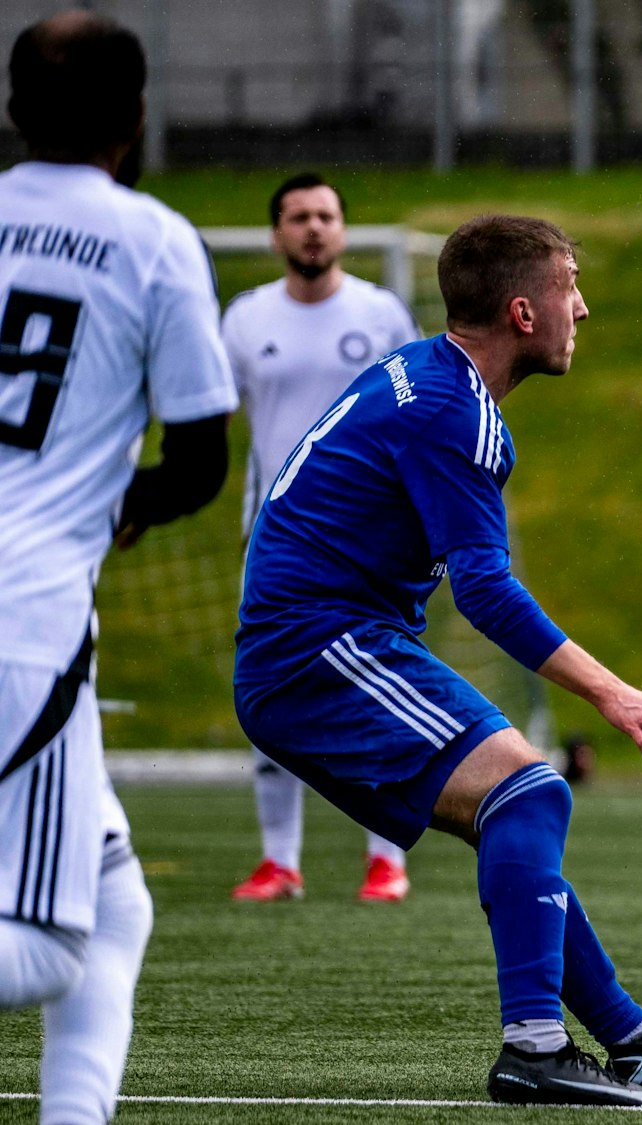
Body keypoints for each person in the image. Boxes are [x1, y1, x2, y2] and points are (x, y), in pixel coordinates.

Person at [233, 215, 642, 1106]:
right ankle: (535, 1046)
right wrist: (614, 692)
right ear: (523, 311)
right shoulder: (451, 410)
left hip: (326, 639)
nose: (583, 304)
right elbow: (486, 593)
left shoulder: (433, 376)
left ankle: (633, 1039)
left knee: (514, 813)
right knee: (533, 791)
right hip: (316, 647)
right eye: (568, 286)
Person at [0, 12, 239, 1122]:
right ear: (137, 117)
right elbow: (198, 460)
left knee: (114, 892)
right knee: (46, 949)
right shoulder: (151, 239)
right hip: (26, 616)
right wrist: (121, 504)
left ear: (10, 111)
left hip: (30, 617)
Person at [223, 171, 423, 905]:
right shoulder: (243, 320)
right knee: (271, 688)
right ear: (276, 234)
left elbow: (418, 416)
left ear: (343, 229)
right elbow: (217, 417)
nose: (314, 228)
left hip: (369, 540)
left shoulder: (381, 314)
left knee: (380, 688)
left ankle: (386, 858)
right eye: (299, 216)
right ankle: (280, 860)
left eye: (327, 216)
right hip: (275, 540)